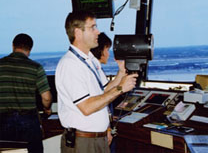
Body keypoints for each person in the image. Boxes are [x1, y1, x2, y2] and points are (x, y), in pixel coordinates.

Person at [55, 11, 138, 153]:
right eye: (92, 27)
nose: (98, 32)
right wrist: (120, 89)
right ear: (78, 33)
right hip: (83, 143)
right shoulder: (70, 65)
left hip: (97, 139)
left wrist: (121, 73)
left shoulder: (90, 60)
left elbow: (104, 90)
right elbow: (87, 107)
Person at [0, 33, 52, 153]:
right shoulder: (35, 67)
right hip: (28, 121)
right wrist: (47, 109)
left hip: (2, 121)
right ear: (30, 49)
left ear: (13, 46)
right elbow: (47, 97)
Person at [91, 32, 124, 153]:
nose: (108, 54)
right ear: (100, 50)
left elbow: (107, 89)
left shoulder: (96, 68)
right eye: (107, 49)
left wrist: (121, 72)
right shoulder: (91, 69)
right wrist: (108, 129)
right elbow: (101, 98)